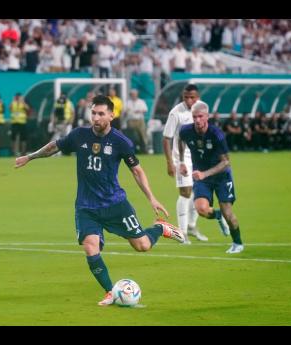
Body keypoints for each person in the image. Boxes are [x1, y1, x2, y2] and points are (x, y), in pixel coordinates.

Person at [15, 95, 185, 306]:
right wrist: (30, 157)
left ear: (111, 116)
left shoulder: (121, 142)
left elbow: (137, 171)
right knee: (90, 246)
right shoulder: (79, 135)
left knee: (142, 246)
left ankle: (160, 229)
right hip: (86, 206)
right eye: (93, 113)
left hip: (115, 204)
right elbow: (55, 146)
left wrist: (152, 198)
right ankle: (110, 292)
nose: (95, 117)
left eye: (101, 114)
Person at [178, 101, 244, 254]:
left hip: (222, 176)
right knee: (201, 209)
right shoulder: (186, 131)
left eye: (200, 116)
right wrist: (182, 161)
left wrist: (204, 174)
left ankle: (237, 243)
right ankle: (217, 215)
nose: (197, 120)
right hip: (202, 177)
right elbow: (181, 141)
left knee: (228, 212)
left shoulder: (216, 134)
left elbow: (226, 162)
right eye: (194, 117)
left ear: (207, 116)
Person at [162, 84, 207, 244]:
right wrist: (169, 163)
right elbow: (166, 138)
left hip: (198, 157)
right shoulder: (176, 113)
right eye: (186, 97)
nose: (189, 100)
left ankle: (192, 226)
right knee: (186, 192)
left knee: (199, 191)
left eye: (192, 97)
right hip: (181, 159)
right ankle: (182, 232)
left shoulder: (201, 110)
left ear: (198, 97)